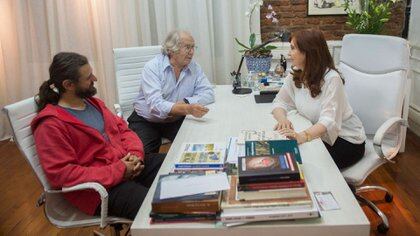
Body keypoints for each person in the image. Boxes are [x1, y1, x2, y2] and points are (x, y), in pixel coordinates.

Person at [31, 52, 164, 220]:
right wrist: (120, 170)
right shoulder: (50, 125)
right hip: (99, 190)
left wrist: (136, 156)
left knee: (175, 166)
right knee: (159, 209)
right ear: (69, 85)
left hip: (124, 166)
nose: (94, 78)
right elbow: (63, 174)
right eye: (88, 77)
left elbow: (124, 130)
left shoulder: (94, 104)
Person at [272, 29, 366, 169]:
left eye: (293, 48)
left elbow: (328, 121)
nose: (289, 53)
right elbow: (280, 101)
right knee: (288, 157)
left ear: (307, 52)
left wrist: (302, 136)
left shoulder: (332, 79)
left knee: (302, 163)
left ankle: (340, 190)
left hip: (346, 141)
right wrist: (283, 120)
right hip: (318, 135)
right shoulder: (296, 75)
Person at [128, 30, 215, 154]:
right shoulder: (152, 67)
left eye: (193, 47)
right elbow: (155, 105)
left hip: (176, 119)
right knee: (143, 159)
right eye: (187, 47)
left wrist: (185, 102)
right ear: (171, 50)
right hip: (146, 121)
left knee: (199, 148)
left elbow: (208, 93)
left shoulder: (194, 67)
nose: (192, 52)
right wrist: (187, 109)